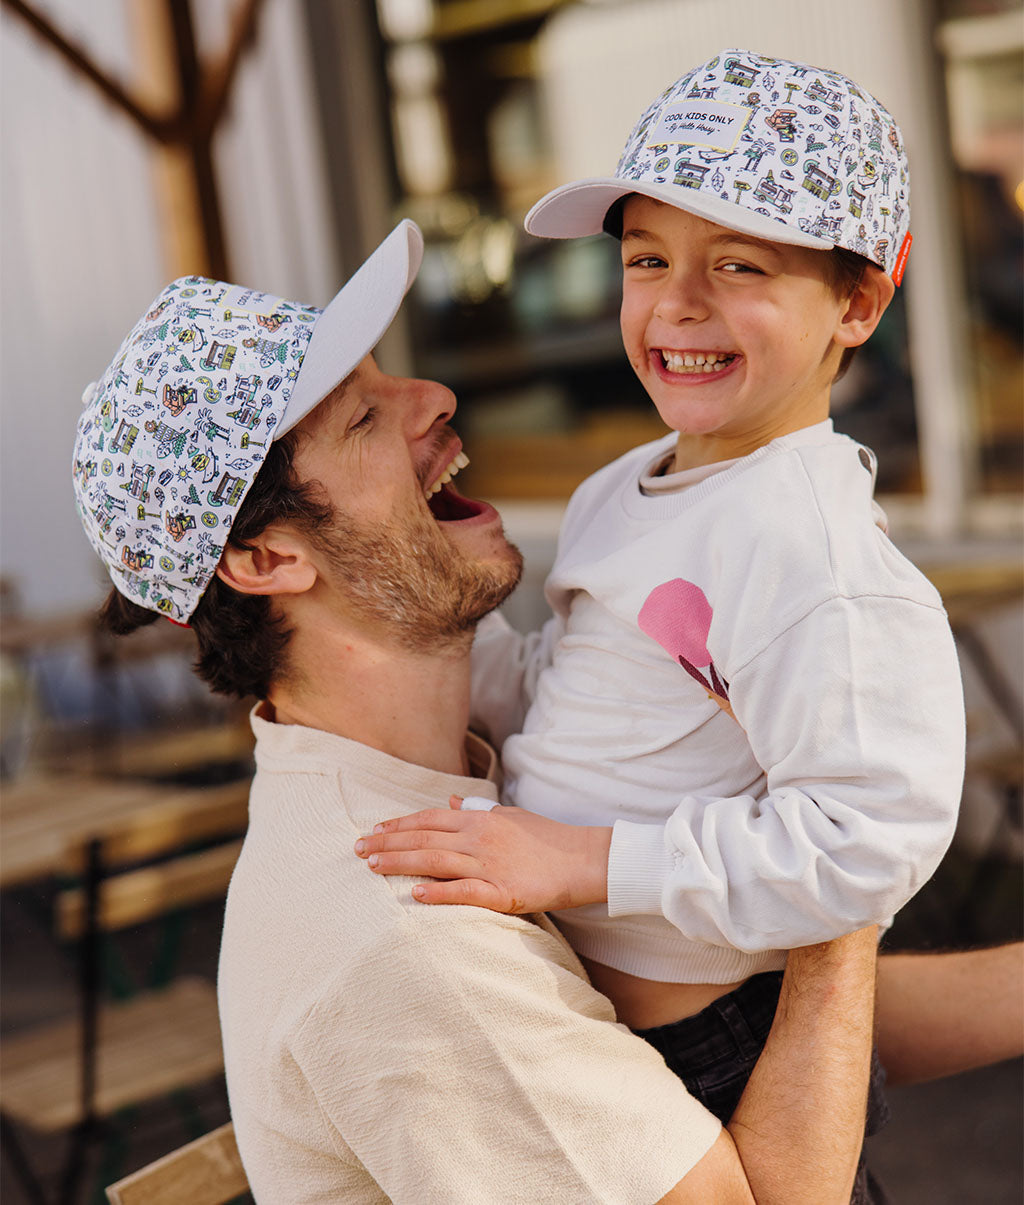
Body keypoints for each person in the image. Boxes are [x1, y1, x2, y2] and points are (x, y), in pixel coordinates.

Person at [72, 220, 886, 1203]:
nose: (435, 396)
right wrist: (846, 850)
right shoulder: (411, 927)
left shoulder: (460, 781)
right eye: (364, 418)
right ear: (265, 561)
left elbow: (740, 985)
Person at [351, 48, 966, 1146]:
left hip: (714, 1052)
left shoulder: (812, 555)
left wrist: (578, 858)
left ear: (860, 299)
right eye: (645, 258)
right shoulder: (623, 488)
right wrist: (417, 602)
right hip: (586, 1014)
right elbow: (575, 686)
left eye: (739, 266)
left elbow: (866, 840)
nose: (676, 304)